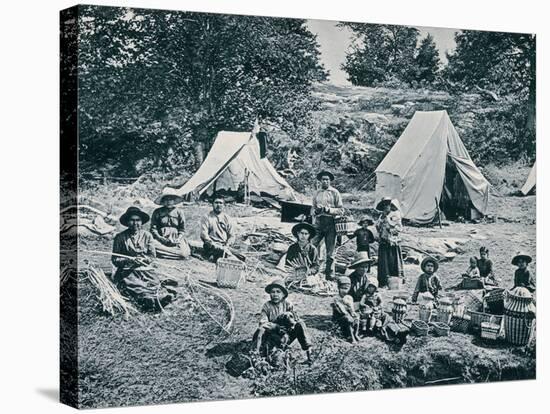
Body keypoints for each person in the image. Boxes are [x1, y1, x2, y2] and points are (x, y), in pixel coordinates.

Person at [111, 206, 177, 312]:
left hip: (145, 269)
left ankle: (159, 299)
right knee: (135, 285)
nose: (135, 223)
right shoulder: (120, 237)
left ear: (141, 222)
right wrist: (129, 260)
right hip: (128, 271)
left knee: (154, 283)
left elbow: (152, 256)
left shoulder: (147, 236)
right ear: (127, 222)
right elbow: (115, 259)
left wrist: (145, 260)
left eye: (138, 220)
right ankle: (147, 300)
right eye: (132, 220)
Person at [253, 279, 312, 362]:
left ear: (283, 294)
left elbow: (295, 319)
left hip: (286, 335)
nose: (275, 294)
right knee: (262, 330)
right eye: (273, 292)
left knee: (300, 324)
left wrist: (291, 323)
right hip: (272, 336)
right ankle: (256, 354)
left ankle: (309, 353)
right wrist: (276, 327)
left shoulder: (287, 304)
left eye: (278, 292)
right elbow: (263, 323)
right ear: (270, 293)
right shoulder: (267, 306)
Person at [311, 170, 344, 280]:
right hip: (319, 222)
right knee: (312, 246)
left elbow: (341, 210)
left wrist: (327, 209)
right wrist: (316, 211)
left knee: (330, 252)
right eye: (323, 179)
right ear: (320, 181)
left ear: (330, 181)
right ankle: (312, 270)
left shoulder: (335, 192)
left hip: (331, 223)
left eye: (327, 179)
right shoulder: (317, 193)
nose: (325, 181)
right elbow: (313, 208)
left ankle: (330, 274)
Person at [200, 196, 242, 262]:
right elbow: (204, 234)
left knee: (241, 255)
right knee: (229, 257)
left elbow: (232, 235)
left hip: (224, 245)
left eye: (220, 203)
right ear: (212, 204)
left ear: (224, 205)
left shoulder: (227, 218)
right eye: (216, 203)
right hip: (211, 245)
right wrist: (213, 244)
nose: (218, 205)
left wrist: (228, 244)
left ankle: (227, 255)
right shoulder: (207, 217)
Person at [150, 194, 190, 259]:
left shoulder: (179, 212)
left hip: (176, 239)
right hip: (161, 239)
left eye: (170, 200)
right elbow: (153, 228)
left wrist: (178, 239)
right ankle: (173, 254)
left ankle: (164, 253)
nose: (168, 202)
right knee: (152, 246)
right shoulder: (157, 212)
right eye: (166, 200)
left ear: (174, 201)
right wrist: (160, 238)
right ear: (163, 201)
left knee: (184, 253)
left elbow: (182, 229)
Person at [376, 197, 404, 287]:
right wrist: (381, 221)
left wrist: (389, 227)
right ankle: (384, 280)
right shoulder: (381, 216)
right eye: (384, 206)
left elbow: (398, 227)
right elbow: (377, 227)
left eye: (387, 205)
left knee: (393, 260)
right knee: (384, 261)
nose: (385, 208)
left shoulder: (395, 214)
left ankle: (395, 280)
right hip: (384, 241)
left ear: (390, 206)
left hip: (392, 241)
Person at [331, 276, 360, 343]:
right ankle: (351, 337)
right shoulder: (336, 298)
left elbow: (351, 308)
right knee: (348, 319)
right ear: (338, 288)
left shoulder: (349, 297)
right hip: (339, 316)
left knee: (357, 317)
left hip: (348, 314)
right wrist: (348, 314)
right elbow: (341, 310)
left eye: (346, 288)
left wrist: (353, 313)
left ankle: (356, 334)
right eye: (342, 288)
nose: (344, 291)